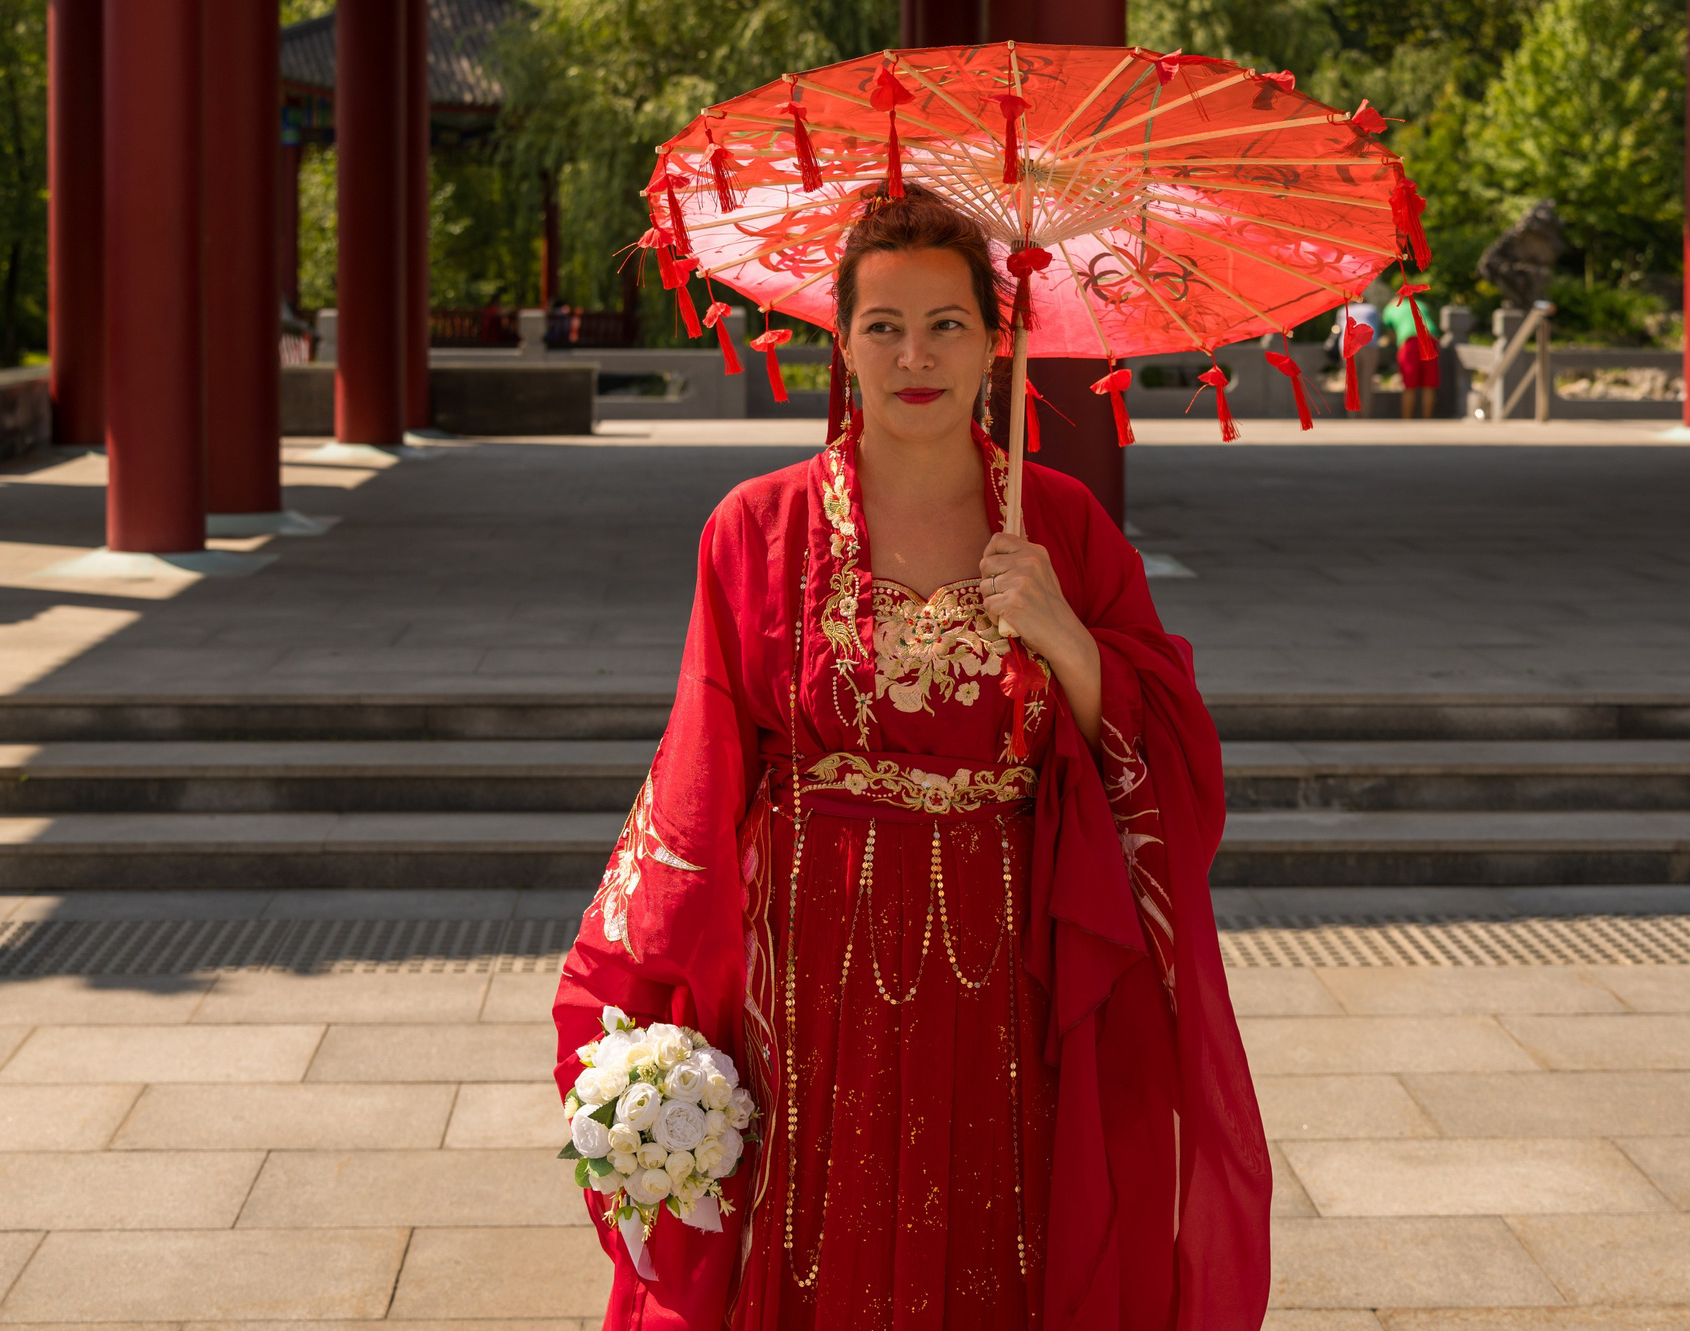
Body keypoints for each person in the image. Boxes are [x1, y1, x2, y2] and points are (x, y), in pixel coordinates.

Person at [553, 189, 1273, 1331]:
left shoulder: (1065, 529)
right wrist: (656, 1004)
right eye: (882, 325)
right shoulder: (754, 526)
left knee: (1004, 1232)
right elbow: (700, 777)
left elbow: (1177, 760)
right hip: (809, 972)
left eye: (946, 323)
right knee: (812, 1239)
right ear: (838, 342)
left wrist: (1067, 639)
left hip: (1010, 963)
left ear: (999, 341)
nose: (914, 355)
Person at [1383, 287, 1441, 419]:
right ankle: (1427, 420)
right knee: (1429, 385)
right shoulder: (1420, 304)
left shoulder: (1390, 308)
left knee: (1409, 385)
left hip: (1410, 341)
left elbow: (1389, 331)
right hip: (1430, 339)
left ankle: (1407, 420)